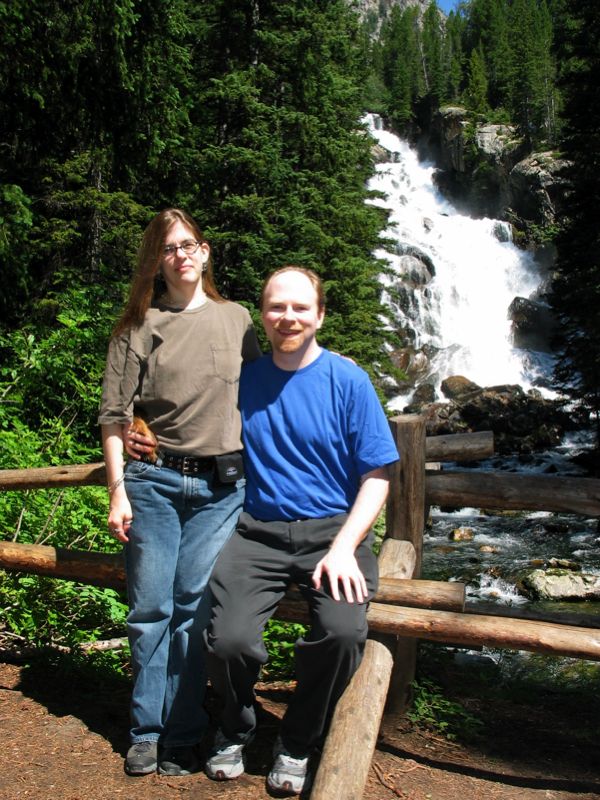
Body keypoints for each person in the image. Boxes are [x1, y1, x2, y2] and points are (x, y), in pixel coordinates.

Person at [204, 266, 400, 795]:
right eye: (277, 307)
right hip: (257, 531)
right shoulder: (244, 380)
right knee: (228, 641)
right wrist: (142, 431)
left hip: (335, 532)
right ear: (262, 316)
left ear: (319, 315)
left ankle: (297, 740)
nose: (287, 317)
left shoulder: (348, 381)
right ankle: (236, 724)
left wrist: (342, 549)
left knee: (342, 634)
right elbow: (186, 416)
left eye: (299, 307)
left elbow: (377, 475)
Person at [98, 208, 261, 777]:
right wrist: (118, 490)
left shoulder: (237, 319)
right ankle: (146, 729)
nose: (182, 254)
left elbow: (260, 400)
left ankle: (184, 731)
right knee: (150, 608)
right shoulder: (135, 327)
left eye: (189, 244)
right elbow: (114, 418)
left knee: (193, 609)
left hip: (221, 489)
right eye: (169, 248)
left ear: (206, 251)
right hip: (154, 484)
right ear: (156, 260)